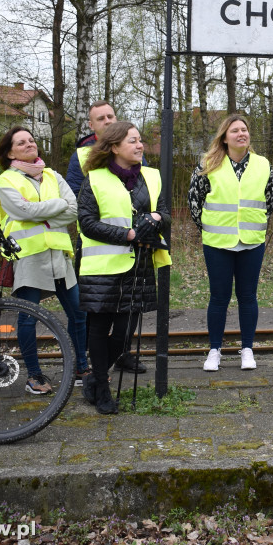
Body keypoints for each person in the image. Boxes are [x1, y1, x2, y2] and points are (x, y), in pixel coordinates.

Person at [77, 122, 172, 414]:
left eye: (140, 140)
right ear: (115, 146)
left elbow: (166, 213)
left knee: (123, 333)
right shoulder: (94, 179)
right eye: (133, 141)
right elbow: (87, 223)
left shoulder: (152, 177)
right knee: (100, 329)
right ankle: (103, 388)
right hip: (101, 268)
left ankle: (95, 376)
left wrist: (155, 217)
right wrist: (128, 234)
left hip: (138, 267)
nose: (140, 145)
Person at [0, 126, 90, 392]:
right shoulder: (6, 181)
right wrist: (55, 205)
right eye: (21, 142)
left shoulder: (52, 175)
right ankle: (34, 377)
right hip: (29, 257)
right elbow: (21, 209)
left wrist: (41, 212)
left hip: (58, 255)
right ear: (10, 151)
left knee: (79, 313)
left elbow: (73, 209)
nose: (29, 144)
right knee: (28, 319)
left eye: (32, 140)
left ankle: (82, 367)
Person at [188, 114, 273, 371]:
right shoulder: (208, 163)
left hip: (252, 241)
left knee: (248, 296)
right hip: (217, 243)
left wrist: (253, 221)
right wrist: (210, 228)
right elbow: (195, 202)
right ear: (224, 137)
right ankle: (215, 349)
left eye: (245, 130)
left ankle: (247, 348)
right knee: (219, 297)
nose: (241, 134)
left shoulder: (263, 164)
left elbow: (269, 201)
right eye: (235, 130)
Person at [66, 100, 144, 375]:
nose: (108, 120)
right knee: (95, 309)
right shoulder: (80, 156)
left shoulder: (133, 150)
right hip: (96, 243)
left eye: (111, 115)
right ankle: (86, 363)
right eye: (101, 118)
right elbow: (76, 195)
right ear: (91, 125)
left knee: (128, 307)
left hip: (131, 242)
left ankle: (119, 355)